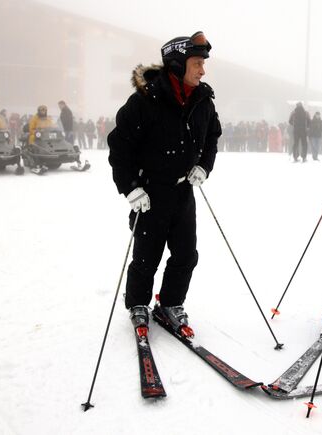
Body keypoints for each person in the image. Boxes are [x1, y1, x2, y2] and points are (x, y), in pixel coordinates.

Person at [107, 31, 220, 335]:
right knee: (147, 255)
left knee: (186, 254)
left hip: (183, 191)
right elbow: (120, 147)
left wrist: (204, 166)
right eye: (197, 63)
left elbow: (212, 136)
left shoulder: (202, 100)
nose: (202, 69)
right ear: (178, 63)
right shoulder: (145, 100)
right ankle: (138, 305)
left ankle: (170, 303)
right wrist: (131, 187)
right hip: (151, 193)